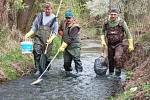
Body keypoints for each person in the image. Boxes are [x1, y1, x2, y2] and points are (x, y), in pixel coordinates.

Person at [25, 2, 58, 75]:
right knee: (36, 51)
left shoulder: (54, 19)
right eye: (46, 9)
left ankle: (46, 65)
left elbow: (55, 32)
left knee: (45, 56)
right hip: (38, 38)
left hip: (48, 40)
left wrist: (51, 39)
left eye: (49, 9)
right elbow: (34, 27)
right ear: (44, 9)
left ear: (51, 9)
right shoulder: (39, 16)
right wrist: (28, 34)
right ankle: (38, 69)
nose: (47, 11)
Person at [100, 7, 134, 77]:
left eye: (114, 14)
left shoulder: (122, 22)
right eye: (111, 14)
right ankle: (111, 74)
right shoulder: (106, 22)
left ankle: (117, 75)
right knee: (110, 59)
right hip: (109, 44)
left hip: (119, 44)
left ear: (117, 15)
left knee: (117, 57)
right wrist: (103, 40)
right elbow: (102, 32)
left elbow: (128, 33)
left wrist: (131, 44)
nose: (113, 16)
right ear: (109, 14)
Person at [58, 10, 83, 76]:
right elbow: (59, 29)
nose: (68, 19)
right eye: (66, 18)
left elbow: (71, 38)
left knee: (76, 60)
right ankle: (68, 73)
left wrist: (63, 46)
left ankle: (79, 74)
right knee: (66, 63)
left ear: (72, 17)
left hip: (74, 45)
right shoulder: (63, 22)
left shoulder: (76, 26)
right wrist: (60, 32)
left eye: (69, 18)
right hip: (66, 45)